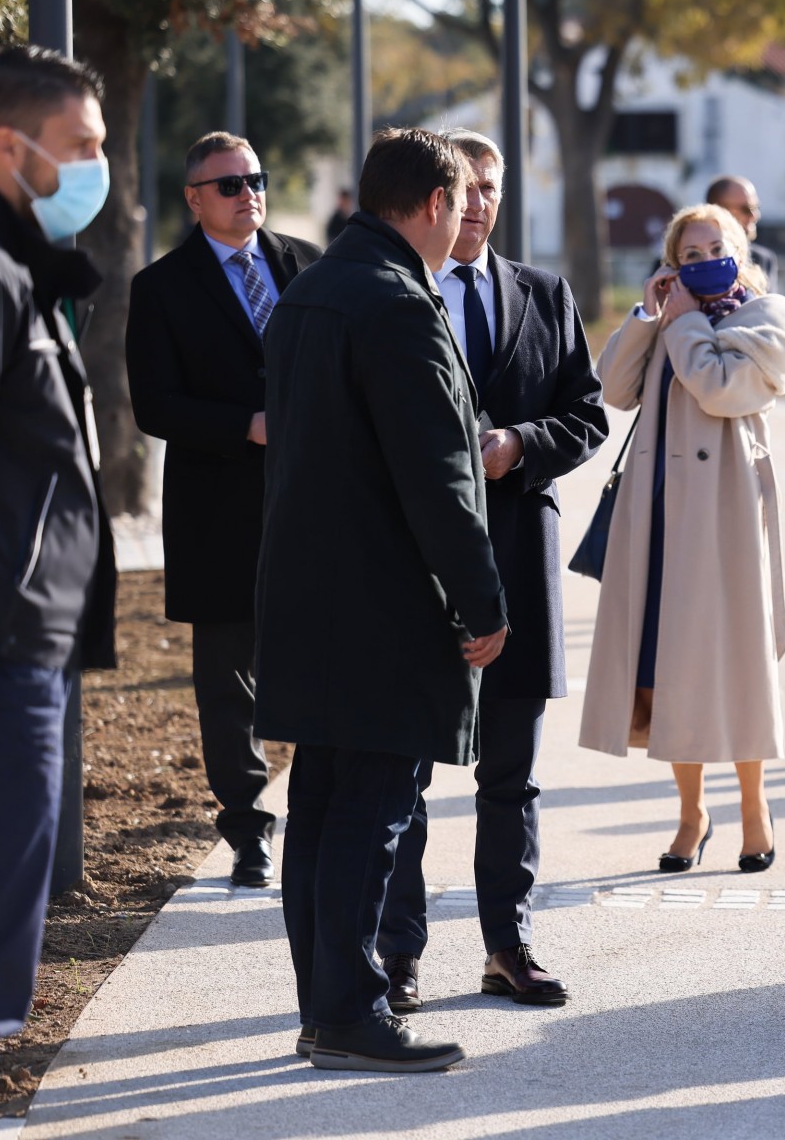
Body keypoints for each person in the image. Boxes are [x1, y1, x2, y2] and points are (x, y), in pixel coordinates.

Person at [255, 127, 508, 1073]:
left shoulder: (311, 289)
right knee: (370, 810)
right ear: (435, 204)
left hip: (309, 594)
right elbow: (440, 476)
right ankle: (353, 1012)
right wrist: (483, 602)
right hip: (384, 603)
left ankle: (325, 1006)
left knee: (321, 806)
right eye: (462, 204)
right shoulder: (400, 304)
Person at [378, 130, 607, 1011]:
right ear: (438, 194)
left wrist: (520, 445)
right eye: (468, 186)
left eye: (494, 187)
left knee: (511, 776)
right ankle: (397, 957)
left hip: (518, 561)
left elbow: (586, 415)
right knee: (406, 776)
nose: (480, 201)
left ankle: (507, 946)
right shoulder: (396, 294)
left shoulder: (544, 294)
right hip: (417, 574)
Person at [577, 204, 785, 875]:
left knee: (737, 666)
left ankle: (753, 805)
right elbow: (613, 388)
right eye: (690, 249)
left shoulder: (773, 319)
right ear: (671, 262)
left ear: (740, 248)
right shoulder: (669, 315)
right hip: (660, 515)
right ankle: (690, 814)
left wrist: (680, 322)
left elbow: (718, 388)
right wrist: (648, 316)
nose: (705, 256)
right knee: (668, 669)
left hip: (729, 516)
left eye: (717, 244)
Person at [126, 131, 323, 888]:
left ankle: (314, 805)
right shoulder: (162, 286)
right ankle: (247, 827)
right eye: (229, 185)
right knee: (227, 677)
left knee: (318, 657)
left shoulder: (309, 263)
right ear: (194, 198)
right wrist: (245, 423)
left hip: (314, 501)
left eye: (255, 179)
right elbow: (154, 403)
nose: (248, 194)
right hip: (218, 505)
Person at [0, 45, 111, 1043]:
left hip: (31, 626)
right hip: (7, 628)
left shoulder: (29, 273)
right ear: (10, 147)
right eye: (80, 147)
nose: (95, 168)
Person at [706, 174, 780, 293]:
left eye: (756, 208)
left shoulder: (763, 260)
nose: (755, 216)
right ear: (718, 211)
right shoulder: (690, 260)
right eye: (746, 209)